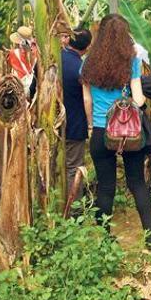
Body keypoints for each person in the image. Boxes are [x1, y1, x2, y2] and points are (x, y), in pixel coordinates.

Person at [80, 15, 151, 246]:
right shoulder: (130, 61)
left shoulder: (88, 62)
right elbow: (139, 98)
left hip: (103, 130)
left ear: (100, 34)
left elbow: (87, 99)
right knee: (137, 183)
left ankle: (105, 239)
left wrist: (92, 125)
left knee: (105, 186)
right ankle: (150, 237)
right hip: (129, 131)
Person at [61, 28, 92, 204]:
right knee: (73, 167)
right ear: (86, 48)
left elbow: (33, 90)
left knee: (53, 164)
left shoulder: (50, 60)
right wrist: (90, 125)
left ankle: (53, 203)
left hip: (48, 126)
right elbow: (87, 99)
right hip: (74, 125)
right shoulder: (81, 68)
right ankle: (74, 209)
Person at [7, 26, 36, 96]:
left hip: (22, 85)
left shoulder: (13, 53)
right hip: (36, 84)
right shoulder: (36, 51)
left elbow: (8, 64)